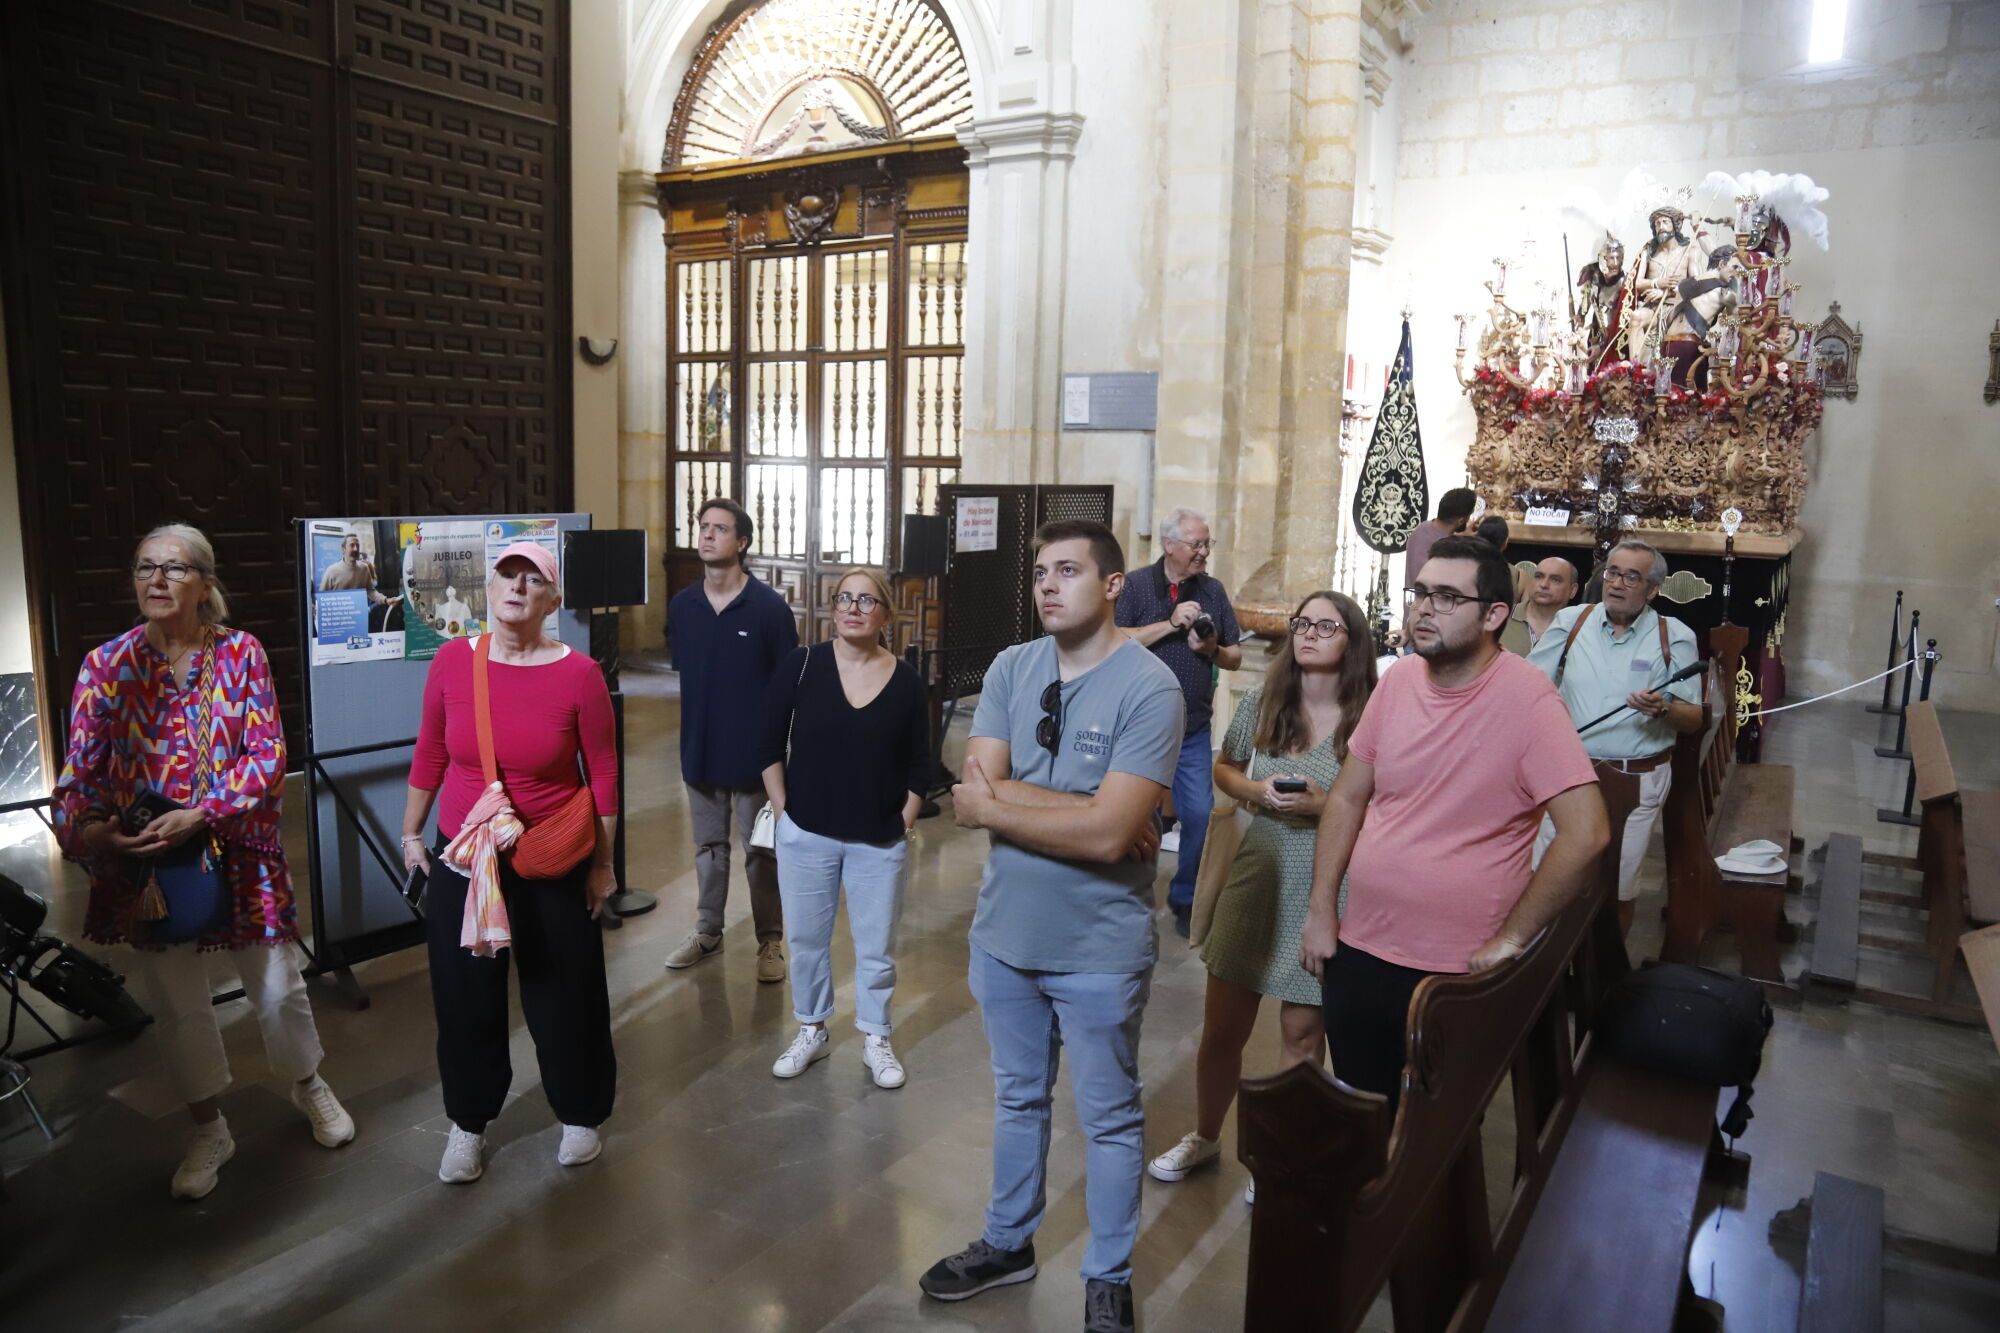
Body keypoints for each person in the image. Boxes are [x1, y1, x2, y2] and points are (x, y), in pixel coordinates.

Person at [920, 520, 1182, 1333]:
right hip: (1005, 935)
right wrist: (1093, 809)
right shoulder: (1011, 666)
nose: (1046, 584)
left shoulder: (1151, 687)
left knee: (1107, 1117)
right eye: (1040, 571)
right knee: (1018, 1098)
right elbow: (971, 795)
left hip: (1098, 949)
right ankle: (1008, 1241)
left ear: (1112, 586)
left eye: (1068, 570)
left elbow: (1109, 837)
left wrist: (1021, 804)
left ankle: (1107, 1276)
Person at [54, 523, 354, 1201]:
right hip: (152, 869)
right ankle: (208, 1124)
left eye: (173, 568)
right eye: (144, 567)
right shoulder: (107, 666)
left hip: (236, 851)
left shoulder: (241, 654)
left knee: (278, 987)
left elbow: (268, 754)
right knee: (178, 1003)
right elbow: (80, 778)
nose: (156, 579)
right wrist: (101, 835)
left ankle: (309, 1084)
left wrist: (205, 810)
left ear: (205, 583)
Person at [1298, 536, 1608, 1112]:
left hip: (1455, 967)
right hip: (1362, 947)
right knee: (1361, 1111)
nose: (1422, 609)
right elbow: (1345, 799)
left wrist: (1513, 937)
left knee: (1430, 1137)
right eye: (1421, 593)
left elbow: (1587, 831)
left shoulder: (1529, 701)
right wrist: (1321, 909)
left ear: (1494, 615)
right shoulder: (1399, 681)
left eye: (1445, 597)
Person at [402, 541, 620, 1183]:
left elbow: (602, 774)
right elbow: (431, 752)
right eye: (507, 575)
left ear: (553, 599)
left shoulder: (578, 674)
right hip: (467, 857)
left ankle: (581, 1112)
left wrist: (603, 865)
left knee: (566, 989)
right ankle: (468, 1121)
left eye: (534, 579)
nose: (517, 586)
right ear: (489, 589)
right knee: (465, 994)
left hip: (549, 857)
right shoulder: (451, 662)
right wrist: (413, 832)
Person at [1149, 591, 1375, 1199]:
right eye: (1303, 623)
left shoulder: (1373, 715)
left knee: (1302, 1033)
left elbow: (1386, 804)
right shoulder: (1268, 699)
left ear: (1351, 640)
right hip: (1262, 865)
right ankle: (1204, 1134)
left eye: (1326, 626)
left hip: (1329, 879)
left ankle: (1280, 1155)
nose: (1309, 634)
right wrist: (1257, 791)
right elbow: (1226, 766)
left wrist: (1324, 804)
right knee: (1223, 1028)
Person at [760, 569, 929, 1088]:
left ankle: (876, 1035)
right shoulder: (803, 664)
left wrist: (903, 822)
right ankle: (812, 1028)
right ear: (834, 607)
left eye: (867, 600)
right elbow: (766, 740)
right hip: (806, 831)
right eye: (845, 598)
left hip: (878, 838)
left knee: (876, 945)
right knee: (808, 939)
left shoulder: (904, 680)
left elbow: (920, 764)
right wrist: (785, 811)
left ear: (885, 613)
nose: (854, 607)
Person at [1528, 539, 1704, 936]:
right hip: (1571, 776)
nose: (1617, 584)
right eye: (1612, 572)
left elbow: (1693, 718)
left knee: (1618, 892)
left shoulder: (1672, 635)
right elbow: (1530, 688)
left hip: (1635, 779)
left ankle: (1605, 982)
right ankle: (1542, 978)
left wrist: (1663, 708)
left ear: (1652, 589)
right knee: (1548, 880)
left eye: (1631, 576)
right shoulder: (1572, 622)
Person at [663, 497, 796, 981]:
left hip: (756, 758)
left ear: (741, 542)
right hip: (699, 749)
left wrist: (781, 757)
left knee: (761, 853)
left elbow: (787, 689)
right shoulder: (683, 606)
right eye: (703, 527)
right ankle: (707, 931)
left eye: (719, 529)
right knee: (709, 848)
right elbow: (690, 675)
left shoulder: (769, 610)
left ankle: (770, 943)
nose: (707, 535)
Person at [1115, 506, 1242, 937]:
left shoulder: (1213, 590)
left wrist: (1212, 652)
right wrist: (1169, 624)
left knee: (1201, 816)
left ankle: (1185, 898)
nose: (1204, 552)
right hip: (1140, 727)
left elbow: (1235, 654)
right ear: (1170, 545)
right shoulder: (1134, 586)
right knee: (1136, 818)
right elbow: (1113, 640)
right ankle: (1131, 898)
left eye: (1207, 543)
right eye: (1196, 544)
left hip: (1192, 729)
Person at [1402, 487, 1477, 581]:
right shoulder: (1446, 549)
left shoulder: (1422, 528)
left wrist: (1463, 536)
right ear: (1461, 520)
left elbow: (1440, 537)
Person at [1520, 556, 1580, 648]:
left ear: (1572, 590)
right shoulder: (1502, 616)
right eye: (1538, 577)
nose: (1544, 585)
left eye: (1555, 580)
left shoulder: (1581, 628)